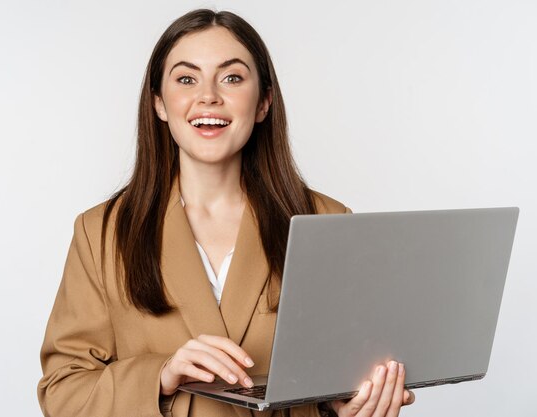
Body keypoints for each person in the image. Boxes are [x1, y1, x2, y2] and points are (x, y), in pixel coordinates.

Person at [37, 8, 415, 417]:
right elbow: (62, 392)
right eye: (186, 78)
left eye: (232, 77)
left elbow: (343, 379)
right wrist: (161, 377)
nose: (208, 96)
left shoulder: (328, 221)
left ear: (263, 102)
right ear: (159, 103)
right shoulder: (102, 233)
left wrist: (354, 405)